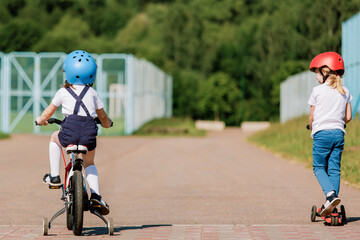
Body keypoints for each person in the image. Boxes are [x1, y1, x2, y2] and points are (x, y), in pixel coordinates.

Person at [36, 50, 112, 215]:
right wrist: (107, 124)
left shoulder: (62, 92)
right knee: (89, 163)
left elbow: (48, 112)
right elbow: (103, 117)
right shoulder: (93, 94)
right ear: (92, 74)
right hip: (88, 134)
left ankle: (55, 176)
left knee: (54, 138)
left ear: (67, 72)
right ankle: (96, 195)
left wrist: (41, 120)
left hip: (69, 132)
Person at [308, 51, 352, 217]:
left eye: (317, 73)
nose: (316, 77)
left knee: (319, 167)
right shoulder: (345, 91)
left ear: (325, 72)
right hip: (339, 134)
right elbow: (348, 117)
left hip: (322, 134)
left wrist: (312, 127)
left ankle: (330, 195)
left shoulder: (317, 91)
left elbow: (312, 117)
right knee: (334, 168)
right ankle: (331, 204)